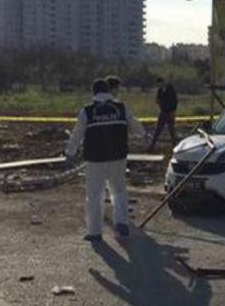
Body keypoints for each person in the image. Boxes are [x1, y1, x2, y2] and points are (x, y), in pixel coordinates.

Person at [65, 78, 147, 241]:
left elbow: (77, 134)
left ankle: (95, 232)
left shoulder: (87, 111)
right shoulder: (121, 108)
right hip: (118, 157)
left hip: (95, 159)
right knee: (119, 190)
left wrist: (70, 153)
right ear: (108, 91)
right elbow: (136, 126)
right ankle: (122, 223)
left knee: (95, 194)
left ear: (94, 93)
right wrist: (144, 134)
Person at [149, 77, 179, 151]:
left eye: (160, 83)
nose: (159, 85)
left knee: (171, 130)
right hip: (163, 111)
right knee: (158, 129)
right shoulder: (160, 91)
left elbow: (175, 100)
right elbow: (158, 99)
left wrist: (173, 110)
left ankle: (175, 145)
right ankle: (152, 145)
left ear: (163, 82)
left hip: (170, 112)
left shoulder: (170, 89)